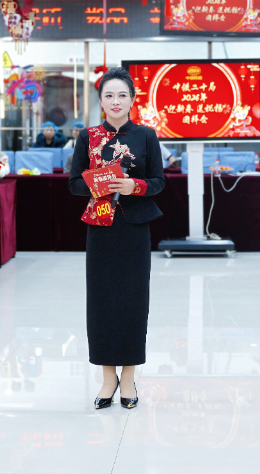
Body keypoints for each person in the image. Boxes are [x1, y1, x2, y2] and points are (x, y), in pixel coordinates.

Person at [66, 68, 166, 411]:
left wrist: (133, 186)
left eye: (122, 95)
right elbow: (74, 184)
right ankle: (108, 378)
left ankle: (129, 377)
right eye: (109, 95)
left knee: (133, 301)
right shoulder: (88, 136)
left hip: (135, 227)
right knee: (102, 302)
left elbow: (159, 181)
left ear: (132, 99)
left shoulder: (146, 135)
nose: (116, 101)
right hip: (101, 227)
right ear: (101, 101)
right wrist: (101, 183)